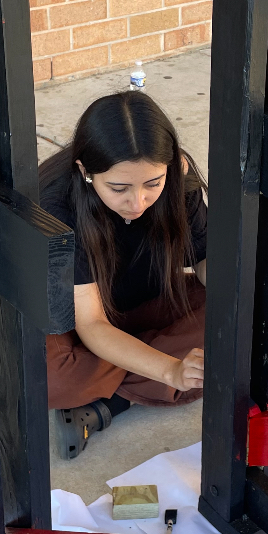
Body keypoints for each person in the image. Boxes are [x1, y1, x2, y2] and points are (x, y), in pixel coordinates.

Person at [39, 91, 208, 459]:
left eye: (153, 184)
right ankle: (141, 371)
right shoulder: (58, 207)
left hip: (150, 298)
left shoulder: (178, 179)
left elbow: (208, 261)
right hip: (77, 320)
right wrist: (171, 370)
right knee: (46, 377)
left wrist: (233, 297)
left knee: (243, 312)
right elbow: (92, 324)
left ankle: (108, 401)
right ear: (85, 171)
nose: (138, 203)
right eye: (119, 188)